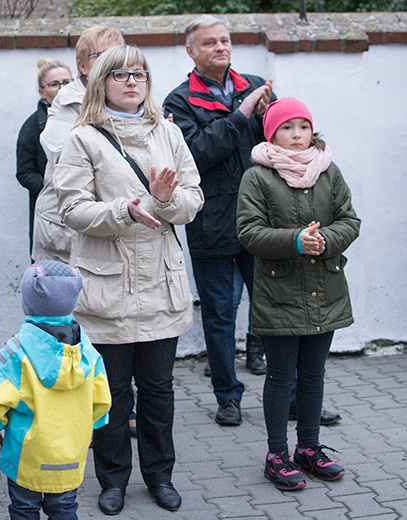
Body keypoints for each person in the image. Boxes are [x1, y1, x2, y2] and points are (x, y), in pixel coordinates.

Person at [55, 45, 204, 514]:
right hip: (107, 289)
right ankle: (113, 481)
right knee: (112, 396)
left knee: (159, 392)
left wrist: (161, 203)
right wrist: (126, 210)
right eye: (120, 74)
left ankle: (160, 477)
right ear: (101, 82)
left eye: (139, 74)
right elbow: (72, 209)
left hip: (160, 284)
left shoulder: (168, 133)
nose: (131, 81)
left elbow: (193, 199)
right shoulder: (84, 139)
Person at [237, 97, 360, 490]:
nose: (296, 135)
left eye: (302, 127)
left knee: (313, 375)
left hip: (326, 290)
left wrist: (323, 241)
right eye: (286, 128)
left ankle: (308, 448)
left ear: (312, 131)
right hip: (280, 294)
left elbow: (350, 220)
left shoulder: (328, 170)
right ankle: (277, 455)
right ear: (271, 132)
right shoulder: (257, 177)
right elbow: (249, 232)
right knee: (279, 376)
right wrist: (295, 241)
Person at [163, 14, 274, 427]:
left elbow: (279, 140)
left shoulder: (255, 84)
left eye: (225, 40)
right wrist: (243, 115)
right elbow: (195, 153)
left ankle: (294, 395)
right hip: (210, 221)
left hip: (262, 218)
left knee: (274, 308)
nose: (221, 48)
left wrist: (264, 116)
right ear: (191, 51)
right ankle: (228, 397)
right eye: (209, 43)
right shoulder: (178, 101)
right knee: (220, 315)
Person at [0, 260, 111, 520]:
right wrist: (91, 427)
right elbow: (102, 400)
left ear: (27, 303)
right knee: (65, 508)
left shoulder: (14, 352)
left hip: (27, 455)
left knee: (24, 509)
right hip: (70, 453)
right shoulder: (89, 352)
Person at [32, 25, 124, 263]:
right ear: (83, 67)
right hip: (66, 231)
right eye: (102, 56)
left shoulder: (133, 96)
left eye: (118, 55)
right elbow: (64, 155)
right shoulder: (67, 102)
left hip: (115, 224)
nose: (113, 63)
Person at [15, 58, 73, 257]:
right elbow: (24, 172)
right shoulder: (32, 126)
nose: (62, 88)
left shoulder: (85, 116)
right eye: (55, 84)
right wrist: (52, 188)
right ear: (42, 92)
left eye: (67, 82)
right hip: (49, 212)